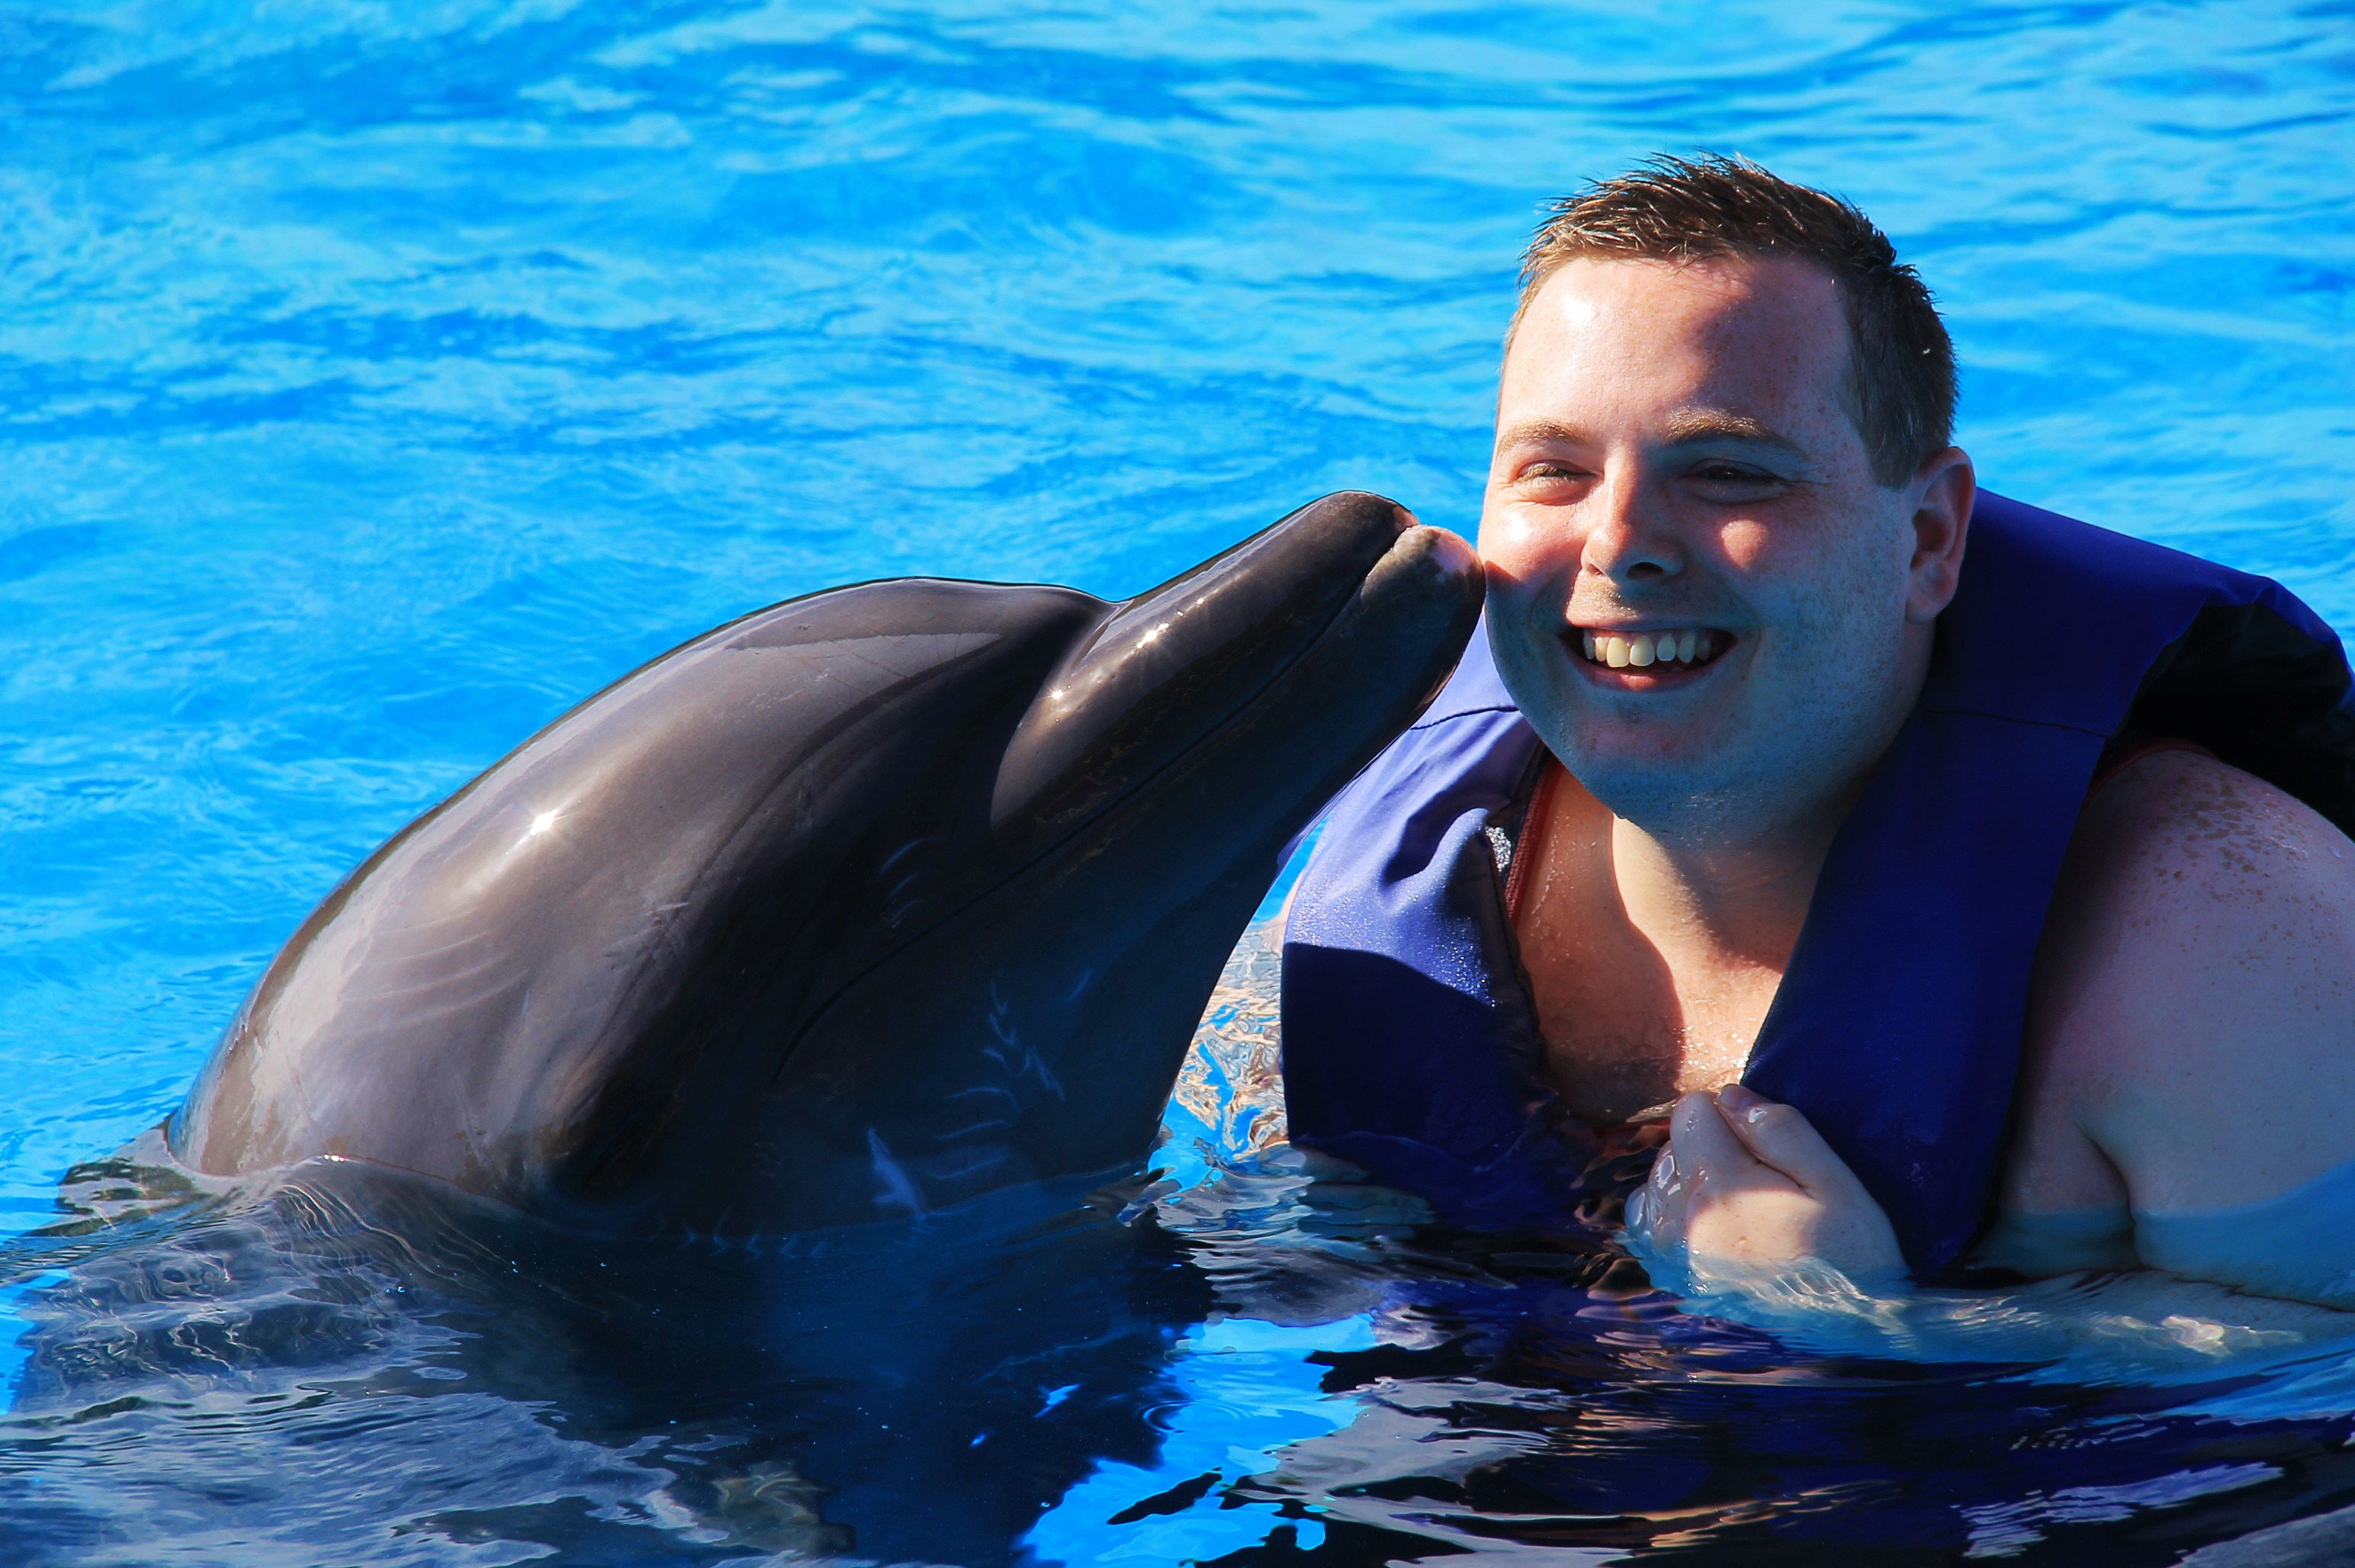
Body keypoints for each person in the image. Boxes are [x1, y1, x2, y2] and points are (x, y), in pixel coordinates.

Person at [1276, 156, 2355, 1309]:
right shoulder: (1421, 842)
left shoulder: (2230, 933)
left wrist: (1869, 1326)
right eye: (1556, 471)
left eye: (1728, 472)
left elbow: (2317, 1382)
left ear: (1929, 538)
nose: (1620, 545)